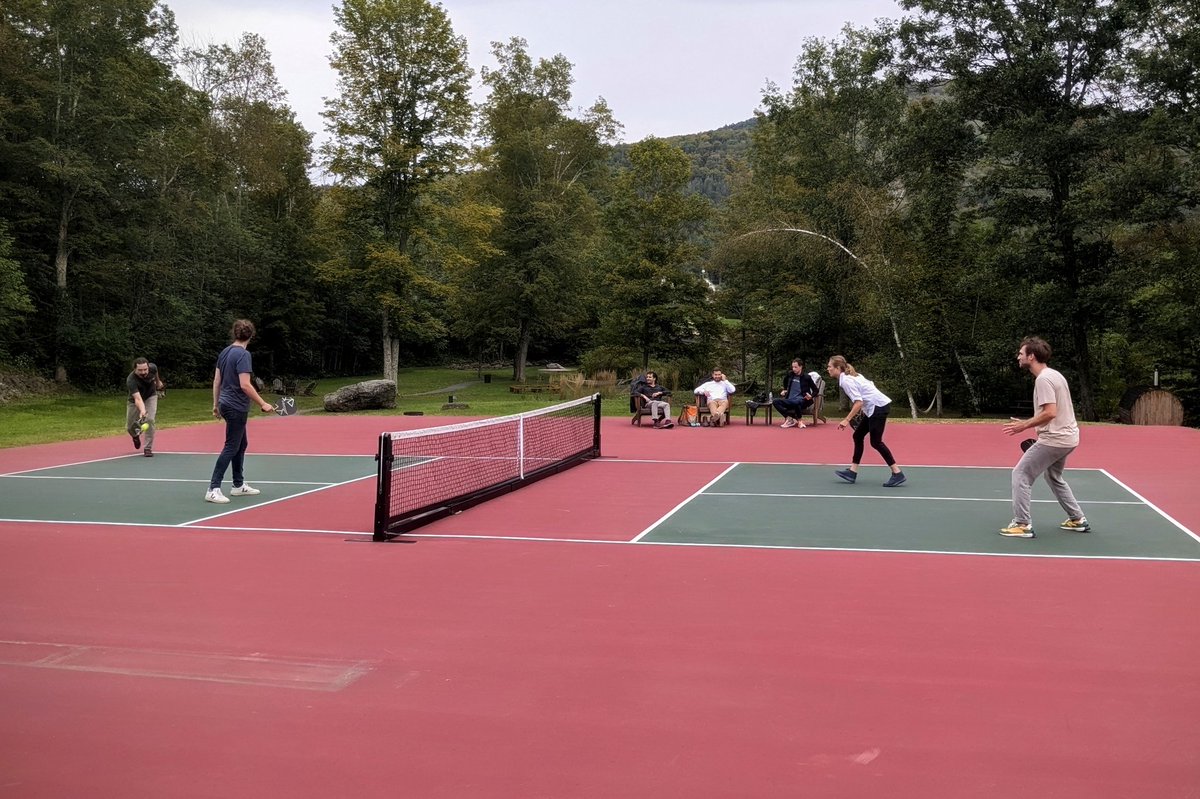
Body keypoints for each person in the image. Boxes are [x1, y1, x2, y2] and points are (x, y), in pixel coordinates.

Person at [1000, 337, 1087, 539]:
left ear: (1031, 356)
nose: (1018, 357)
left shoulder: (1043, 380)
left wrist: (1024, 425)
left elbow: (1050, 412)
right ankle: (1077, 519)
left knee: (1020, 474)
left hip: (1055, 439)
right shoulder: (1054, 375)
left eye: (1021, 353)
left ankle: (1022, 524)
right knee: (1053, 476)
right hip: (1069, 438)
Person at [206, 319, 275, 504]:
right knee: (231, 446)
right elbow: (245, 384)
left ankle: (238, 485)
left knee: (240, 444)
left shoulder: (225, 352)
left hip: (226, 404)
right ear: (251, 336)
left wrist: (215, 404)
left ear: (234, 333)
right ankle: (213, 488)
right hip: (236, 406)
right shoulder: (243, 355)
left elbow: (216, 381)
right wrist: (263, 403)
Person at [826, 355, 906, 487]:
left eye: (830, 366)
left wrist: (847, 419)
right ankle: (852, 472)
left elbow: (858, 402)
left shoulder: (846, 381)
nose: (827, 369)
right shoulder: (851, 377)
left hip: (878, 407)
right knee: (858, 436)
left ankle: (897, 473)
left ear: (838, 368)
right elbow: (869, 386)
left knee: (876, 442)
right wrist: (864, 408)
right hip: (874, 407)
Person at [125, 357, 163, 457]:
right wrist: (142, 410)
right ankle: (135, 436)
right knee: (130, 427)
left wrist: (158, 382)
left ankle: (147, 448)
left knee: (150, 420)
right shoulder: (131, 380)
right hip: (134, 400)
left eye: (145, 369)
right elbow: (137, 399)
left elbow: (155, 373)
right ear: (134, 369)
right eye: (140, 370)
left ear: (148, 367)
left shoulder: (152, 368)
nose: (143, 372)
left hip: (151, 395)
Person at [773, 359, 817, 429]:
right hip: (790, 400)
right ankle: (789, 418)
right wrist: (785, 390)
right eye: (793, 367)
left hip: (802, 400)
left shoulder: (806, 377)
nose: (793, 369)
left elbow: (815, 390)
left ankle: (799, 420)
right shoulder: (790, 374)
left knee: (797, 402)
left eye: (795, 367)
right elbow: (785, 380)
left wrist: (811, 396)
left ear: (801, 367)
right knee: (775, 401)